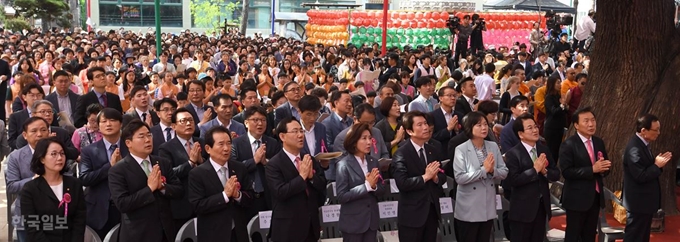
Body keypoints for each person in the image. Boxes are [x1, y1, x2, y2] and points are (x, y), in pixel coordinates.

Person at [109, 119, 184, 241]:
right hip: (138, 234)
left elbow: (179, 190)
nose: (148, 140)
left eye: (149, 135)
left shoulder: (162, 163)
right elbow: (122, 204)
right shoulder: (118, 170)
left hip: (166, 231)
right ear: (128, 143)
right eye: (141, 137)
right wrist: (149, 189)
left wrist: (163, 187)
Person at [188, 126, 254, 242]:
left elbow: (250, 196)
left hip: (238, 232)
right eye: (221, 144)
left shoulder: (239, 168)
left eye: (229, 143)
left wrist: (237, 195)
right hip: (213, 233)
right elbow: (197, 205)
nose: (226, 148)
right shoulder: (197, 173)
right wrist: (224, 196)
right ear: (208, 148)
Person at [265, 117, 327, 242]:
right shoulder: (274, 164)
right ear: (282, 136)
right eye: (295, 131)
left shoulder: (309, 159)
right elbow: (280, 192)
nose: (300, 135)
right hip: (287, 229)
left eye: (301, 131)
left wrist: (311, 177)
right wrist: (301, 177)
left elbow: (322, 185)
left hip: (311, 226)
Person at [390, 111, 447, 242]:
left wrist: (436, 178)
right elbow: (402, 183)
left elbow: (442, 174)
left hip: (431, 211)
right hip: (412, 215)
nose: (426, 127)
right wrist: (425, 177)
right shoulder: (401, 153)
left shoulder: (433, 149)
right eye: (420, 125)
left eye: (426, 123)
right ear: (409, 131)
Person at [452, 111, 508, 242]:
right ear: (469, 127)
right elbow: (459, 177)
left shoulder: (492, 146)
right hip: (469, 207)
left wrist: (492, 171)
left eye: (485, 124)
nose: (484, 128)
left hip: (487, 204)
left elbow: (504, 171)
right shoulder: (461, 149)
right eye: (478, 125)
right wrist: (484, 171)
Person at [505, 114, 560, 242]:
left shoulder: (543, 149)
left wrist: (545, 172)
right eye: (530, 128)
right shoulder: (513, 154)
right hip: (522, 211)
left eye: (535, 126)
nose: (535, 130)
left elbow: (556, 173)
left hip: (541, 208)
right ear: (520, 134)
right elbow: (514, 180)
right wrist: (534, 170)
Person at [559, 107, 611, 242]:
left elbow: (603, 165)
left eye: (593, 120)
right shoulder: (569, 145)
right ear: (576, 125)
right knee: (574, 235)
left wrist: (604, 168)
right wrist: (592, 170)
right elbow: (566, 172)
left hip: (595, 196)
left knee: (590, 234)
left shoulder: (598, 142)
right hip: (576, 198)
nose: (591, 124)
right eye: (586, 121)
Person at [21, 137, 86, 242]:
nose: (60, 158)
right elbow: (32, 226)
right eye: (53, 154)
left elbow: (79, 220)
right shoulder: (30, 189)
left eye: (62, 153)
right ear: (42, 158)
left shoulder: (74, 184)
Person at [78, 108, 129, 238]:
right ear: (99, 126)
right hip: (99, 209)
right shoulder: (89, 151)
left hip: (127, 207)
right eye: (104, 121)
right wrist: (110, 166)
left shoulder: (130, 147)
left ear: (121, 123)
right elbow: (85, 178)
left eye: (112, 120)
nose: (108, 124)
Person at [622, 114, 672, 242]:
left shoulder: (643, 144)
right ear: (643, 131)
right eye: (656, 130)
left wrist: (657, 165)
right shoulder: (634, 148)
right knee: (634, 236)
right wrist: (656, 165)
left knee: (642, 236)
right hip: (638, 203)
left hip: (644, 203)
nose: (659, 133)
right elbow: (640, 175)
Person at [230, 106, 281, 227]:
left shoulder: (273, 143)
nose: (260, 123)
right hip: (246, 197)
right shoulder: (236, 143)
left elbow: (279, 168)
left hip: (268, 197)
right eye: (255, 120)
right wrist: (254, 161)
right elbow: (233, 169)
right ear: (246, 123)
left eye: (263, 120)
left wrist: (266, 163)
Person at [158, 107, 208, 227]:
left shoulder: (202, 142)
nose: (188, 123)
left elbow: (213, 167)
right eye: (183, 121)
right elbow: (169, 174)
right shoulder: (166, 148)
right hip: (182, 203)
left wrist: (202, 161)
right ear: (174, 126)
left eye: (191, 120)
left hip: (204, 201)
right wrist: (190, 163)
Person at [335, 123, 385, 242]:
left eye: (370, 138)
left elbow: (382, 188)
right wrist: (366, 186)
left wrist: (374, 186)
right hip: (353, 223)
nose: (369, 142)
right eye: (364, 138)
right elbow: (342, 195)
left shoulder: (374, 162)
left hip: (371, 221)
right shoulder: (344, 164)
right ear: (353, 141)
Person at [6, 117, 50, 242]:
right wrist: (33, 179)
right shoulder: (15, 157)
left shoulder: (58, 152)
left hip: (54, 213)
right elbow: (11, 186)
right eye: (34, 131)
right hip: (26, 214)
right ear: (25, 135)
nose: (39, 134)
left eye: (43, 130)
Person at [430, 86, 463, 155]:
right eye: (449, 95)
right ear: (440, 98)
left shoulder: (459, 115)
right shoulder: (432, 116)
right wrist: (448, 129)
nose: (453, 98)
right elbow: (431, 137)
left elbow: (464, 135)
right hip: (440, 152)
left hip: (457, 152)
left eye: (454, 95)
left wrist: (457, 131)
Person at [543, 76, 569, 161]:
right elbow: (554, 111)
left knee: (557, 150)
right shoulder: (549, 97)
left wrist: (565, 106)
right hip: (551, 128)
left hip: (559, 127)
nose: (560, 85)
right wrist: (562, 105)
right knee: (552, 151)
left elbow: (563, 111)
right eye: (557, 82)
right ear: (552, 84)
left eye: (560, 82)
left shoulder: (558, 96)